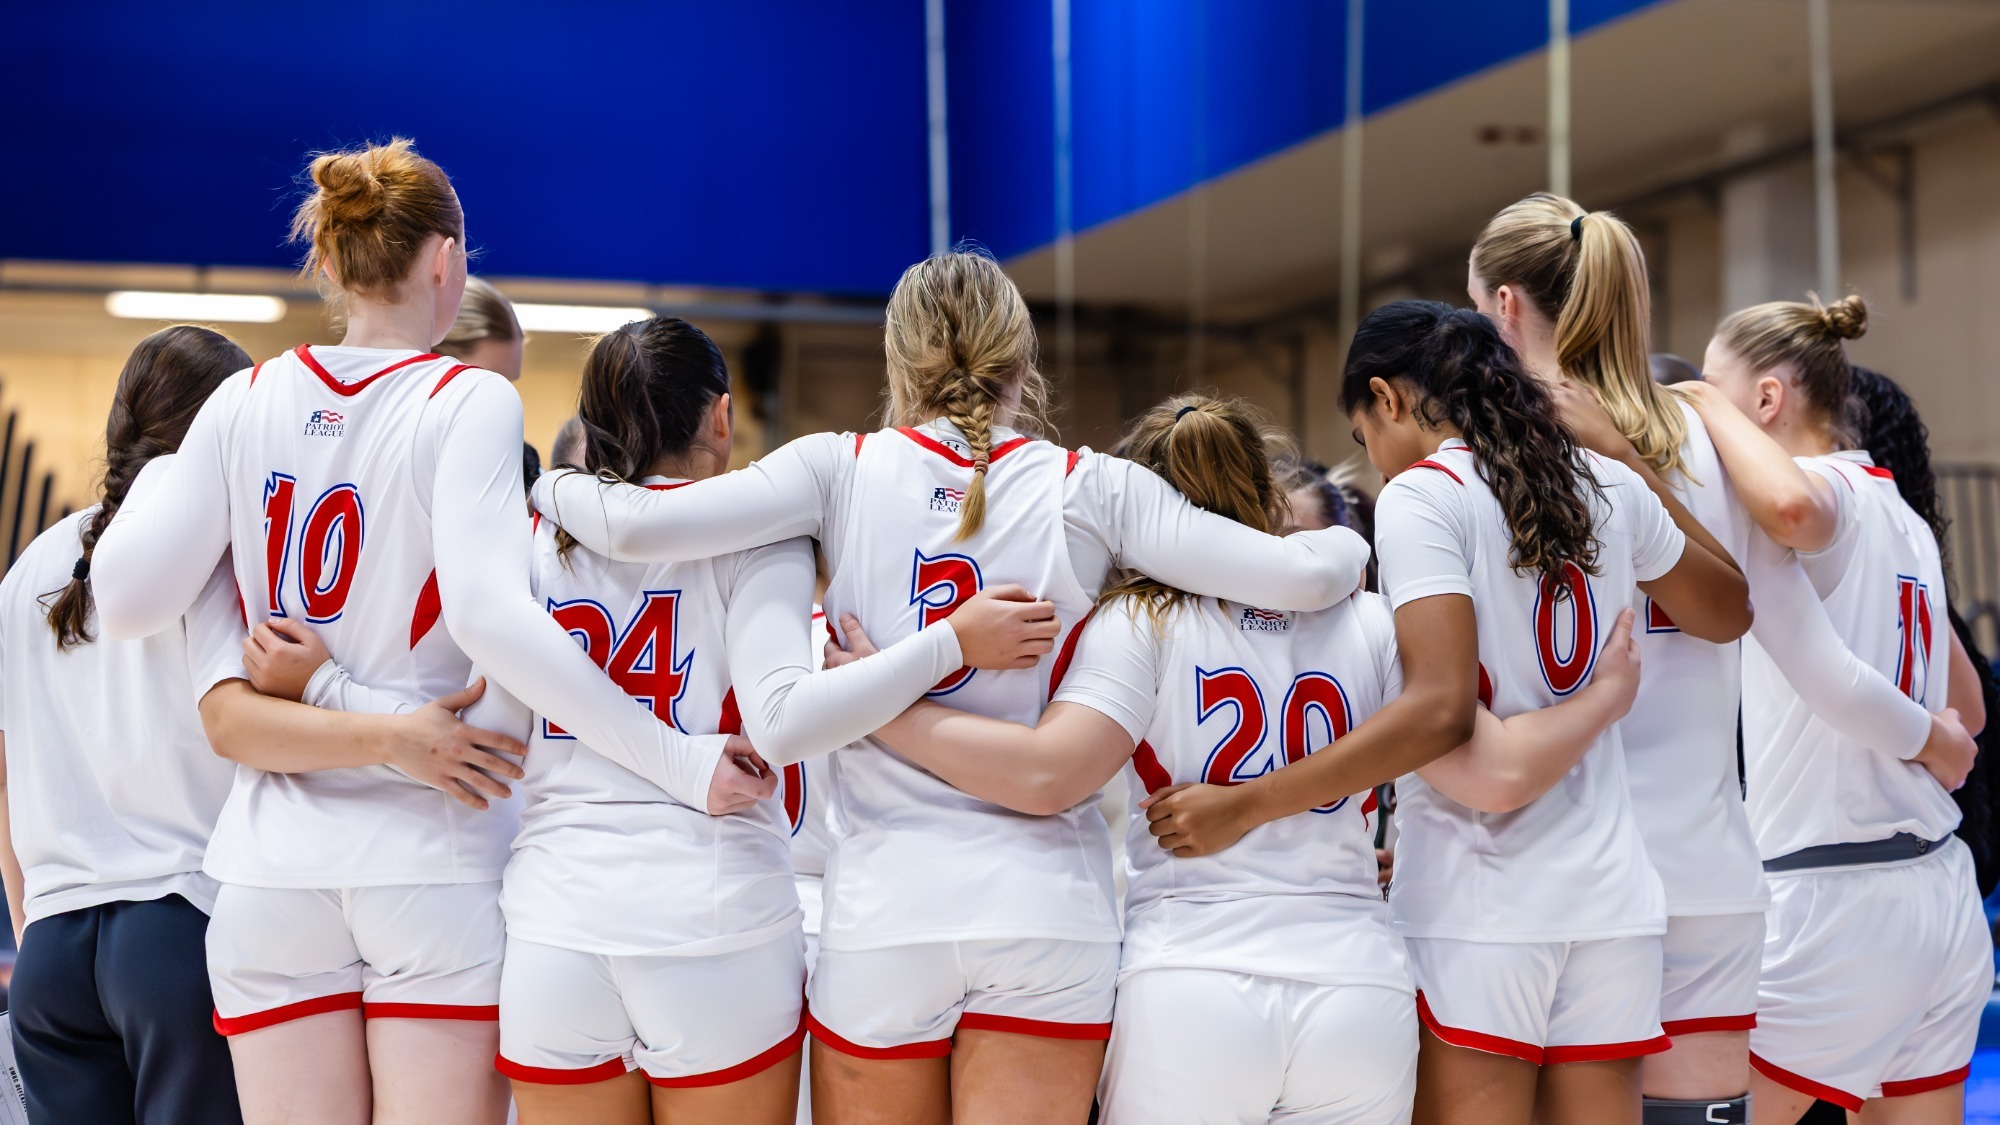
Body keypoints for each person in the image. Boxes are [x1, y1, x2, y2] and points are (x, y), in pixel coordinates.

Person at [531, 248, 1373, 1123]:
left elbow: (636, 523)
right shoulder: (1093, 486)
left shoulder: (837, 467)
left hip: (888, 909)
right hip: (1046, 905)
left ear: (897, 361)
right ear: (1021, 361)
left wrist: (541, 483)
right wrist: (1351, 548)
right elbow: (1302, 578)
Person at [87, 138, 774, 1125]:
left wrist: (182, 483)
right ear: (447, 260)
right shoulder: (469, 400)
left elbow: (125, 601)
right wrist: (675, 760)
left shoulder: (243, 399)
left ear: (325, 263)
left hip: (271, 867)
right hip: (432, 855)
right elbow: (493, 621)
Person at [246, 316, 1052, 1124]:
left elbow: (480, 735)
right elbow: (785, 714)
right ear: (722, 418)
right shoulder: (764, 541)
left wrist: (327, 688)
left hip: (557, 931)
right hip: (716, 925)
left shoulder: (529, 540)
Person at [821, 392, 1649, 1122]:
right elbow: (1482, 771)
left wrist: (880, 699)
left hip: (1194, 978)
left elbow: (1044, 770)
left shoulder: (1138, 620)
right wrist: (1602, 701)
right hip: (1358, 985)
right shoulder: (1370, 617)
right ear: (1262, 487)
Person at [1144, 301, 1753, 1125]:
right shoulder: (1603, 482)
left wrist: (1249, 803)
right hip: (1611, 900)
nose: (1377, 464)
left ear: (1388, 399)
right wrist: (1632, 467)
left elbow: (1439, 712)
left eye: (1365, 439)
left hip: (1481, 899)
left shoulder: (1424, 496)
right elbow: (1730, 610)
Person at [1469, 193, 1766, 1121]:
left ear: (1507, 307)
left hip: (1553, 881)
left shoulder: (1492, 453)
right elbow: (1735, 607)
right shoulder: (1705, 434)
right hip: (1705, 869)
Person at [1681, 297, 1991, 1124]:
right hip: (1939, 892)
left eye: (1716, 389)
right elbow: (1968, 704)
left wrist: (1702, 401)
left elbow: (1790, 508)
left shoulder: (1817, 495)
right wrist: (1932, 739)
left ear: (1767, 401)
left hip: (1834, 892)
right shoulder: (1903, 516)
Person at [0, 326, 250, 1125]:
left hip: (50, 950)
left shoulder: (27, 570)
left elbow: (5, 780)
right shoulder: (212, 551)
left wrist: (32, 915)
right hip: (179, 932)